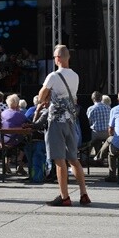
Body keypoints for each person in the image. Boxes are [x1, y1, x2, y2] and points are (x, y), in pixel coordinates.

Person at [36, 45, 90, 206]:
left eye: (54, 57)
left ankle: (64, 196)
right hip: (71, 121)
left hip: (56, 122)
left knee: (59, 160)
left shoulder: (53, 76)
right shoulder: (75, 76)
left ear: (58, 58)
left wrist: (45, 97)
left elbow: (40, 97)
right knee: (74, 159)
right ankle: (84, 194)